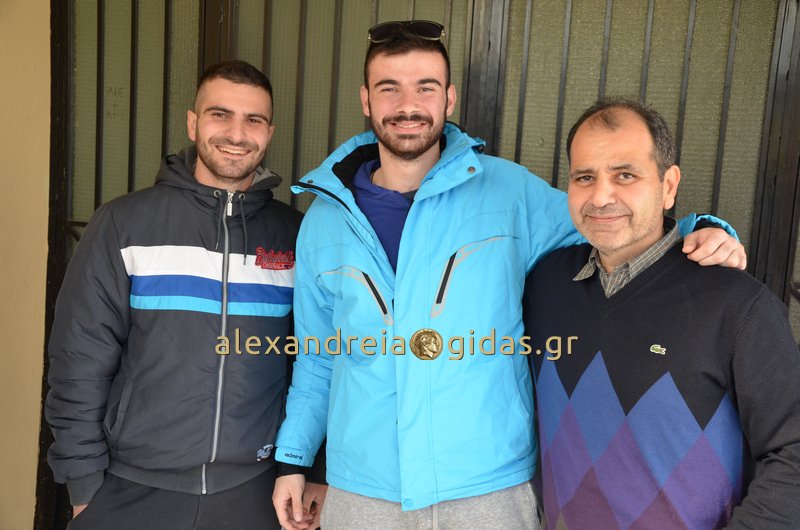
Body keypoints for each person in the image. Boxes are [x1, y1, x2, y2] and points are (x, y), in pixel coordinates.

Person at [271, 21, 745, 530]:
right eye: (390, 88)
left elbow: (611, 221)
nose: (408, 106)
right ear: (366, 100)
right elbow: (318, 358)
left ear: (449, 98)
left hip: (489, 489)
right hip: (364, 490)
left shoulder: (508, 192)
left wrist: (700, 229)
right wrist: (293, 460)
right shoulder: (325, 219)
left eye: (425, 88)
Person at [46, 60, 324, 530]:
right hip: (130, 491)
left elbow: (317, 363)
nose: (237, 134)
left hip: (256, 494)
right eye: (220, 115)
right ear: (193, 123)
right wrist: (84, 484)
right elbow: (79, 359)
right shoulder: (124, 224)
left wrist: (309, 469)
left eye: (253, 120)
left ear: (269, 133)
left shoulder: (297, 236)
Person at [523, 97, 800, 529]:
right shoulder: (543, 285)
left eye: (625, 175)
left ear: (669, 186)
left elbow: (793, 450)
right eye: (584, 177)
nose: (601, 196)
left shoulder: (736, 304)